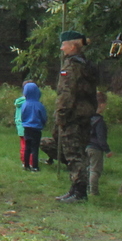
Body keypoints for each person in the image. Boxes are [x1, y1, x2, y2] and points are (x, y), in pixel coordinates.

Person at [53, 30, 103, 202]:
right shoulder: (87, 65)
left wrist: (61, 114)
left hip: (72, 115)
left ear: (72, 47)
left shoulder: (71, 66)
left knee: (73, 154)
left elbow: (67, 93)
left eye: (64, 45)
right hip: (85, 114)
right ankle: (75, 189)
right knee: (80, 151)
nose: (61, 48)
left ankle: (79, 192)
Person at [16, 82, 47, 171]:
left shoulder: (25, 104)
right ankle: (35, 166)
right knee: (35, 148)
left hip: (27, 128)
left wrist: (25, 123)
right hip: (36, 128)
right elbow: (43, 116)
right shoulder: (39, 105)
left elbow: (22, 115)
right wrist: (43, 123)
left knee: (27, 147)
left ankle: (26, 165)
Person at [86, 92, 112, 198]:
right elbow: (101, 138)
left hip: (86, 146)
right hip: (95, 148)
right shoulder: (99, 121)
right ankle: (94, 191)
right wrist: (107, 150)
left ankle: (86, 187)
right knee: (95, 170)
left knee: (88, 168)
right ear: (101, 105)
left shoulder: (87, 118)